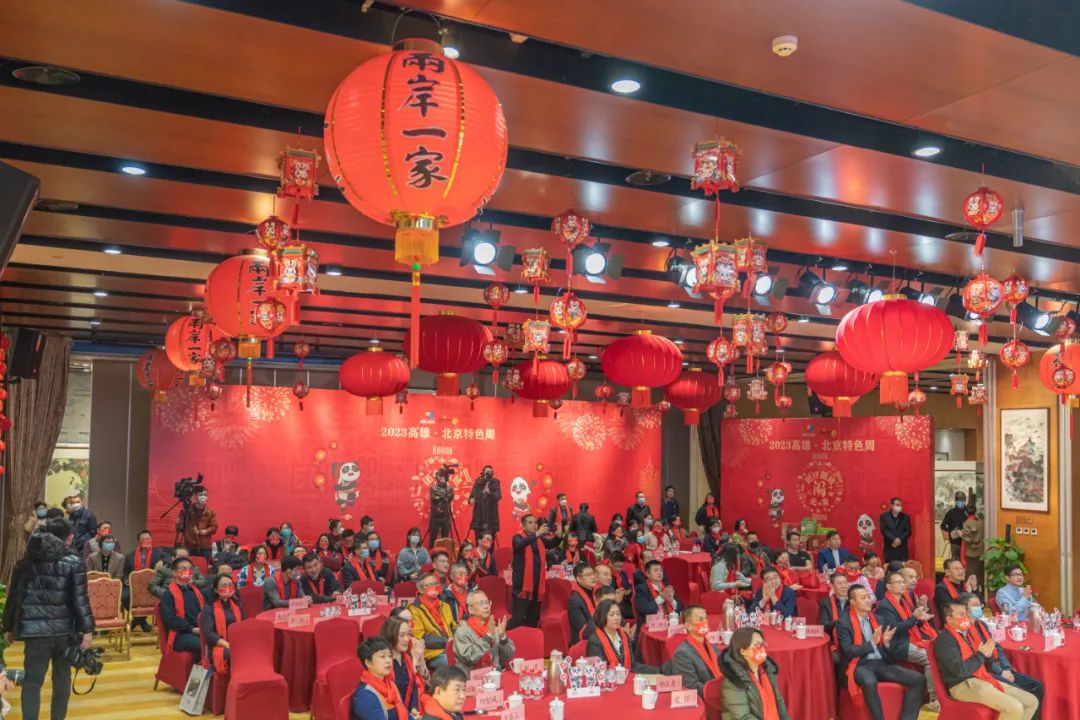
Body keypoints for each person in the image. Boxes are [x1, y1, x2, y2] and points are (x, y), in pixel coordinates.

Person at [2, 517, 94, 720]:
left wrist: (8, 626)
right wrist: (87, 631)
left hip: (35, 633)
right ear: (69, 538)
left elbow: (14, 596)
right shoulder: (74, 562)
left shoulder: (26, 561)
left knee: (32, 680)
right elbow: (81, 600)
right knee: (62, 679)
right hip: (65, 633)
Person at [933, 601, 1039, 720]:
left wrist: (987, 656)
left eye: (966, 613)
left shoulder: (968, 634)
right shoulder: (945, 641)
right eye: (961, 614)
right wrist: (981, 654)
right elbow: (960, 671)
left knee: (1031, 702)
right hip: (962, 684)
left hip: (982, 678)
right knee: (1015, 708)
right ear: (949, 619)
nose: (966, 616)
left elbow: (986, 666)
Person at [837, 586, 925, 720]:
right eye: (863, 598)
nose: (868, 600)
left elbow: (887, 650)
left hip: (880, 662)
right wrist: (872, 643)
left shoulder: (878, 619)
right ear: (853, 602)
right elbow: (848, 651)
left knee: (918, 680)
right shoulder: (844, 622)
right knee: (869, 681)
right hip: (858, 664)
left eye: (868, 597)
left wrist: (886, 643)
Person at [960, 593, 1044, 712]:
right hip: (986, 672)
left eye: (980, 605)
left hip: (999, 667)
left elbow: (996, 646)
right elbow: (981, 657)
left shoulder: (981, 624)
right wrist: (1001, 672)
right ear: (964, 608)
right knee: (1023, 694)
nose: (978, 607)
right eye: (974, 605)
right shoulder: (964, 630)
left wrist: (1007, 668)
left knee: (1037, 686)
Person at [875, 571, 940, 710]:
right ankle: (933, 699)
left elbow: (912, 623)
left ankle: (943, 691)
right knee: (929, 658)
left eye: (902, 582)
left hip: (910, 637)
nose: (902, 585)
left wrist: (920, 619)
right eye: (898, 582)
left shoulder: (903, 601)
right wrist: (914, 618)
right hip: (897, 644)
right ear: (888, 586)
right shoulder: (885, 606)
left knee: (939, 649)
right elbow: (894, 629)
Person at [719, 626, 791, 720]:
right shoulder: (733, 680)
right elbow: (744, 717)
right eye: (757, 645)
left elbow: (779, 703)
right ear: (743, 651)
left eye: (763, 644)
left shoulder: (767, 670)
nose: (762, 648)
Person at [510, 514, 558, 628]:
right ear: (523, 526)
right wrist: (536, 534)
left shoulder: (539, 539)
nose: (534, 525)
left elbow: (552, 543)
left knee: (533, 618)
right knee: (518, 619)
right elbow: (520, 544)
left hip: (537, 585)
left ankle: (531, 636)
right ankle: (513, 637)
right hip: (523, 585)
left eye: (535, 522)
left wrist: (559, 536)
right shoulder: (517, 538)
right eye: (530, 522)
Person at [586, 598, 654, 672]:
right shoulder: (595, 641)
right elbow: (599, 671)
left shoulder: (623, 635)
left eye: (618, 614)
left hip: (626, 675)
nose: (616, 618)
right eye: (612, 615)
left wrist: (658, 671)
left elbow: (632, 665)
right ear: (602, 617)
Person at [452, 590, 513, 672]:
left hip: (494, 675)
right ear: (470, 609)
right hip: (470, 677)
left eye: (487, 602)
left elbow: (507, 656)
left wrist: (502, 637)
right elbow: (469, 657)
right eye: (481, 603)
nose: (486, 606)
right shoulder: (463, 631)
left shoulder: (493, 628)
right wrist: (488, 636)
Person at [159, 556, 208, 660]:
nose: (187, 571)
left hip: (199, 629)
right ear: (174, 572)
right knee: (205, 646)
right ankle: (201, 670)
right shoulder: (168, 595)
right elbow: (170, 620)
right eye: (183, 568)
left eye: (189, 569)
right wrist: (192, 629)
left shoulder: (196, 591)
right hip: (180, 634)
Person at [380, 615, 428, 716]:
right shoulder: (384, 663)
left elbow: (413, 687)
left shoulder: (407, 657)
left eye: (408, 634)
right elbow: (389, 697)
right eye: (401, 635)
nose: (406, 639)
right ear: (390, 635)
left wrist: (414, 708)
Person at [352, 637, 407, 720]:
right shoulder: (365, 696)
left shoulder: (390, 685)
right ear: (368, 663)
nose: (388, 660)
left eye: (389, 656)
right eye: (382, 656)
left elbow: (405, 713)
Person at [672, 605, 723, 694]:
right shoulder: (682, 653)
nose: (705, 622)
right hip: (705, 697)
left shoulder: (712, 647)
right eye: (700, 619)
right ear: (688, 625)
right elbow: (691, 685)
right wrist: (716, 692)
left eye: (706, 618)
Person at [200, 573, 244, 675]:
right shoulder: (208, 608)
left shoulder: (237, 604)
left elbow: (244, 625)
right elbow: (208, 634)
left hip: (236, 642)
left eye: (230, 585)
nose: (228, 588)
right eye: (224, 585)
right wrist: (227, 644)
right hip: (218, 646)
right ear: (215, 590)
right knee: (237, 653)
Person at [413, 572, 456, 668]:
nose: (434, 587)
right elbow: (421, 637)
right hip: (431, 653)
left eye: (435, 584)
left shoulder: (445, 606)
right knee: (453, 662)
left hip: (452, 647)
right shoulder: (414, 609)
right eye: (429, 585)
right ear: (420, 589)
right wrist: (447, 642)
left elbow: (453, 626)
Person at [634, 559, 681, 624]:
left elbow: (681, 607)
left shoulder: (667, 586)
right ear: (647, 574)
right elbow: (644, 609)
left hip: (671, 622)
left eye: (661, 570)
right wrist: (661, 598)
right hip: (651, 625)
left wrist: (671, 600)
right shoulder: (641, 589)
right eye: (655, 570)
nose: (659, 573)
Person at [819, 572, 849, 662]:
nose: (843, 586)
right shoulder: (826, 603)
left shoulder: (854, 601)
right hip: (835, 641)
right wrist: (839, 622)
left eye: (845, 583)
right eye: (839, 583)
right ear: (832, 586)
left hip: (854, 640)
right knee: (836, 659)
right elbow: (823, 626)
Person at [181, 488, 218, 562]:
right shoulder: (187, 510)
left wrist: (205, 531)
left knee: (205, 566)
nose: (203, 497)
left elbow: (214, 527)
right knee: (187, 564)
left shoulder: (211, 511)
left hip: (204, 546)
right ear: (195, 496)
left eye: (205, 495)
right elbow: (180, 527)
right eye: (200, 495)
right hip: (189, 545)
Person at [468, 465, 501, 542]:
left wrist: (490, 492)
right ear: (483, 473)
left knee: (490, 544)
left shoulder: (495, 483)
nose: (488, 473)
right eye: (487, 472)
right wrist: (471, 500)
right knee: (478, 542)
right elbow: (471, 497)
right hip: (478, 519)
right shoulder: (477, 483)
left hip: (491, 519)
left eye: (490, 472)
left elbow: (498, 496)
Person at [568, 562, 598, 644]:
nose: (593, 577)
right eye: (588, 575)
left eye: (593, 574)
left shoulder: (596, 593)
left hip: (596, 634)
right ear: (578, 578)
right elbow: (584, 630)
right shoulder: (575, 601)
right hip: (584, 641)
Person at [879, 497, 912, 562]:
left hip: (902, 549)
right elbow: (884, 530)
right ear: (891, 506)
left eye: (900, 505)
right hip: (890, 547)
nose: (899, 507)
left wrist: (900, 539)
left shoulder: (905, 517)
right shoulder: (884, 517)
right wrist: (894, 539)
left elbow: (908, 531)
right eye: (897, 505)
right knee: (890, 566)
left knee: (903, 567)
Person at [940, 491, 969, 561]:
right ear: (956, 501)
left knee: (967, 562)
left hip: (968, 543)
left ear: (965, 501)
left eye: (962, 500)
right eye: (959, 500)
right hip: (955, 543)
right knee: (956, 561)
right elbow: (943, 526)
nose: (961, 502)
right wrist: (949, 536)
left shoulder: (968, 512)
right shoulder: (951, 513)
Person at [429, 467, 455, 544]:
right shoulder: (433, 488)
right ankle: (432, 550)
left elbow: (450, 497)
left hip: (446, 516)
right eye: (441, 476)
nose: (442, 478)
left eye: (444, 476)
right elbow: (433, 498)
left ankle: (444, 551)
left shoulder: (449, 488)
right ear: (437, 477)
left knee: (445, 538)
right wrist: (440, 497)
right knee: (433, 537)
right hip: (435, 516)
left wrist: (442, 497)